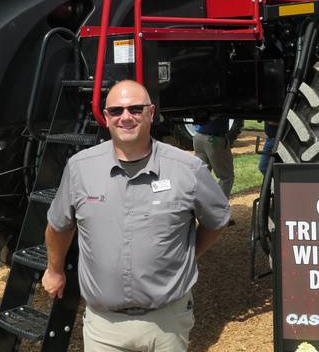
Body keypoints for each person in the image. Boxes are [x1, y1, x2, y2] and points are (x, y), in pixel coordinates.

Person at [42, 80, 231, 352]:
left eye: (135, 109)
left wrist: (187, 254)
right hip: (104, 328)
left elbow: (217, 220)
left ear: (151, 113)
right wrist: (55, 269)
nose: (126, 117)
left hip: (167, 324)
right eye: (116, 111)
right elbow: (59, 226)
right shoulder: (80, 168)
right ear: (106, 117)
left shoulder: (188, 169)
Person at [192, 118, 234, 198]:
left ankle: (200, 207)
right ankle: (218, 208)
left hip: (198, 137)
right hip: (214, 139)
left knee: (201, 177)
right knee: (227, 178)